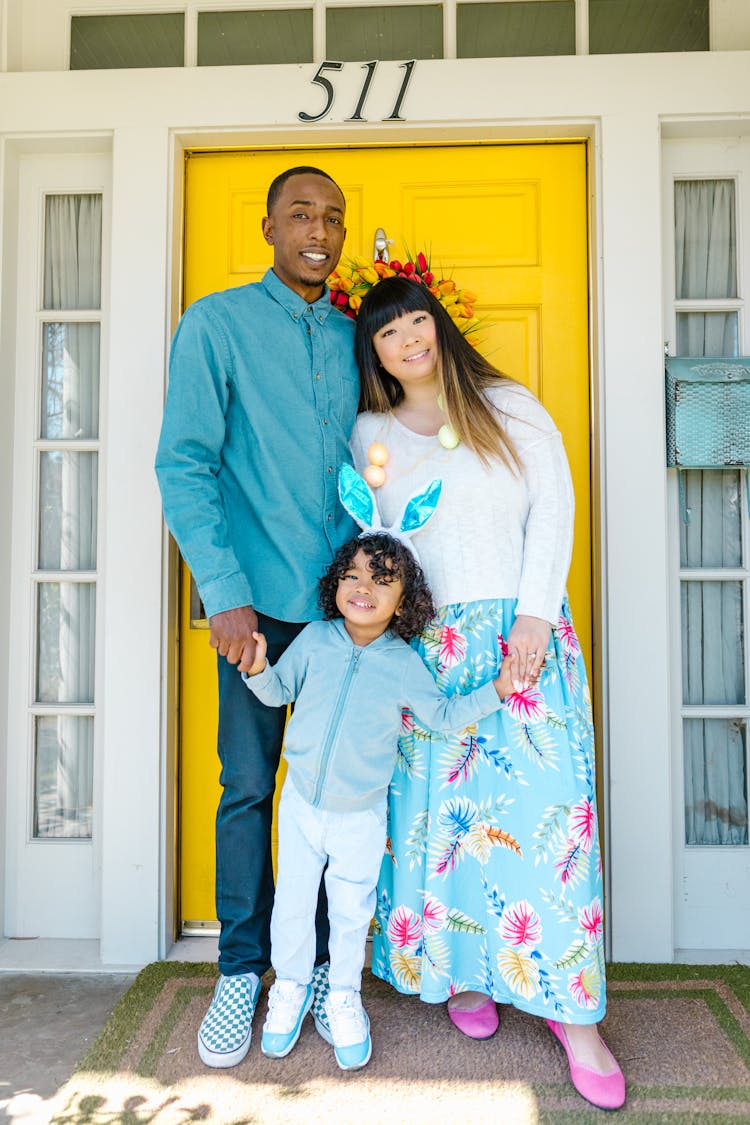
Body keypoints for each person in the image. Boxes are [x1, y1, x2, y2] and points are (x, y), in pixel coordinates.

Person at [350, 276, 626, 1111]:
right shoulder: (370, 431)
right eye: (390, 331)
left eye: (417, 322)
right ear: (375, 351)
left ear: (439, 326)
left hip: (520, 635)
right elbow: (373, 537)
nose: (409, 339)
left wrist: (536, 615)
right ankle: (464, 970)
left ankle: (574, 1015)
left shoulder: (508, 405)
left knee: (548, 821)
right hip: (426, 647)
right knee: (444, 821)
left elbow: (555, 506)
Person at [155, 166, 359, 1069]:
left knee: (332, 797)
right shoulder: (217, 325)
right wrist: (223, 594)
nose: (321, 230)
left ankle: (313, 968)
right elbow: (185, 464)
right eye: (304, 213)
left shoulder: (361, 338)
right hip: (254, 612)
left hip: (344, 617)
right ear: (269, 225)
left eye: (335, 219)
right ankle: (242, 968)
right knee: (248, 788)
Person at [242, 509, 520, 1071]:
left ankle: (343, 995)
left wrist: (498, 688)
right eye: (354, 575)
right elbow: (277, 694)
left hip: (360, 817)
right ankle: (291, 988)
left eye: (383, 579)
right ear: (336, 583)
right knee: (292, 907)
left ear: (404, 601)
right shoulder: (316, 641)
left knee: (349, 913)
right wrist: (256, 668)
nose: (364, 587)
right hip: (299, 806)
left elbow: (442, 716)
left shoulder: (402, 663)